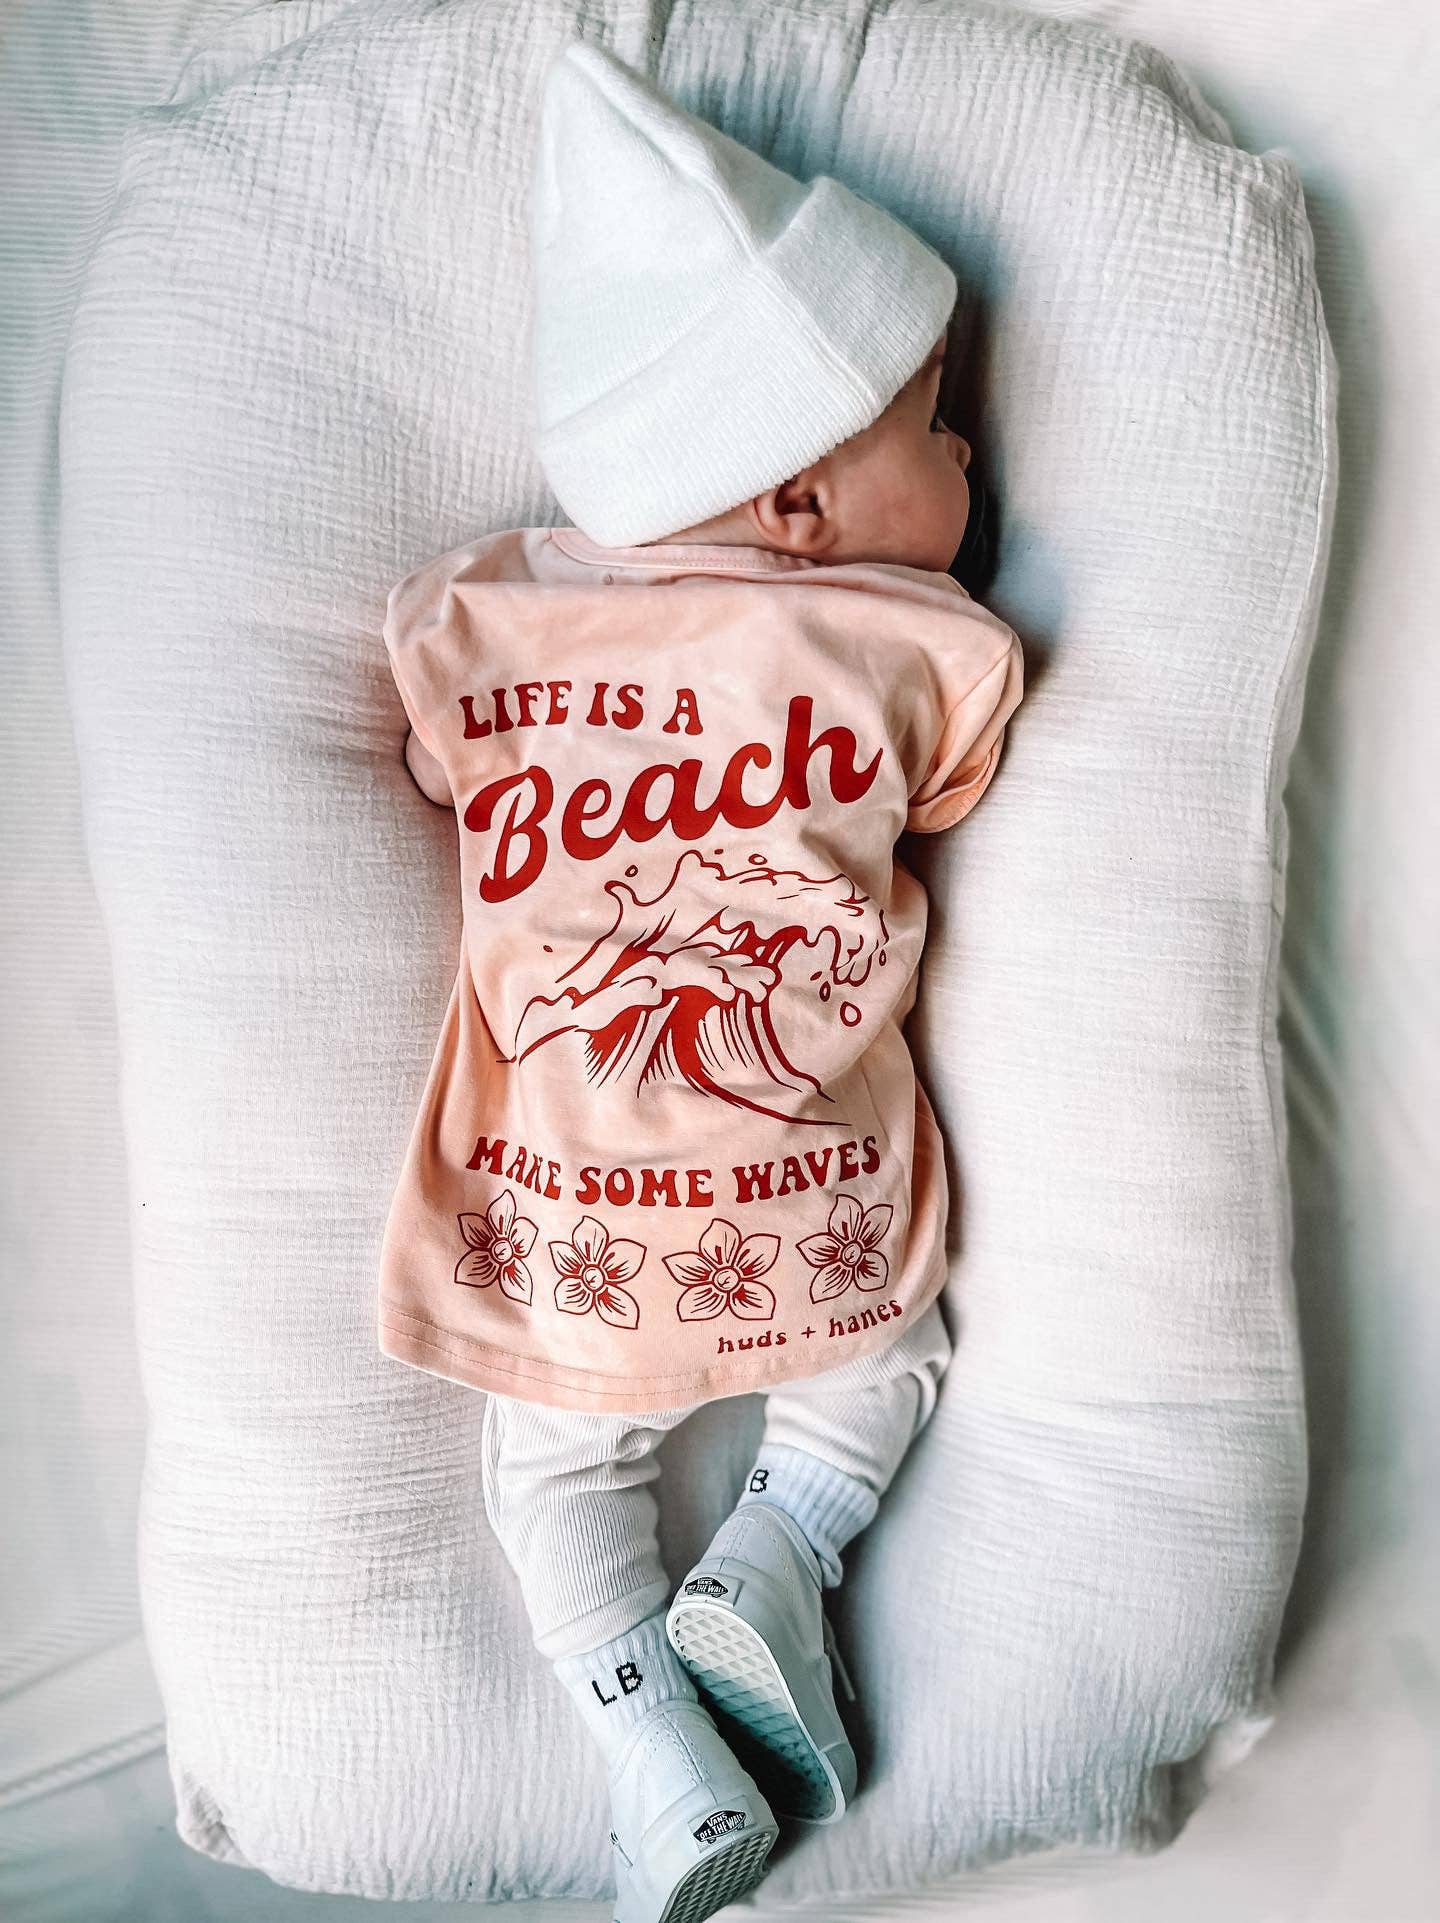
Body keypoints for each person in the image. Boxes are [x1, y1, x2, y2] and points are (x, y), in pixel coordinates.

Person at [377, 40, 1024, 1923]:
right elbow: (946, 794)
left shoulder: (486, 614)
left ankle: (647, 1750)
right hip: (807, 1201)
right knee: (887, 1363)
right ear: (803, 506)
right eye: (939, 425)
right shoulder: (918, 642)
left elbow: (433, 756)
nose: (970, 461)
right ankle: (776, 1556)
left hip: (567, 1219)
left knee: (551, 1484)